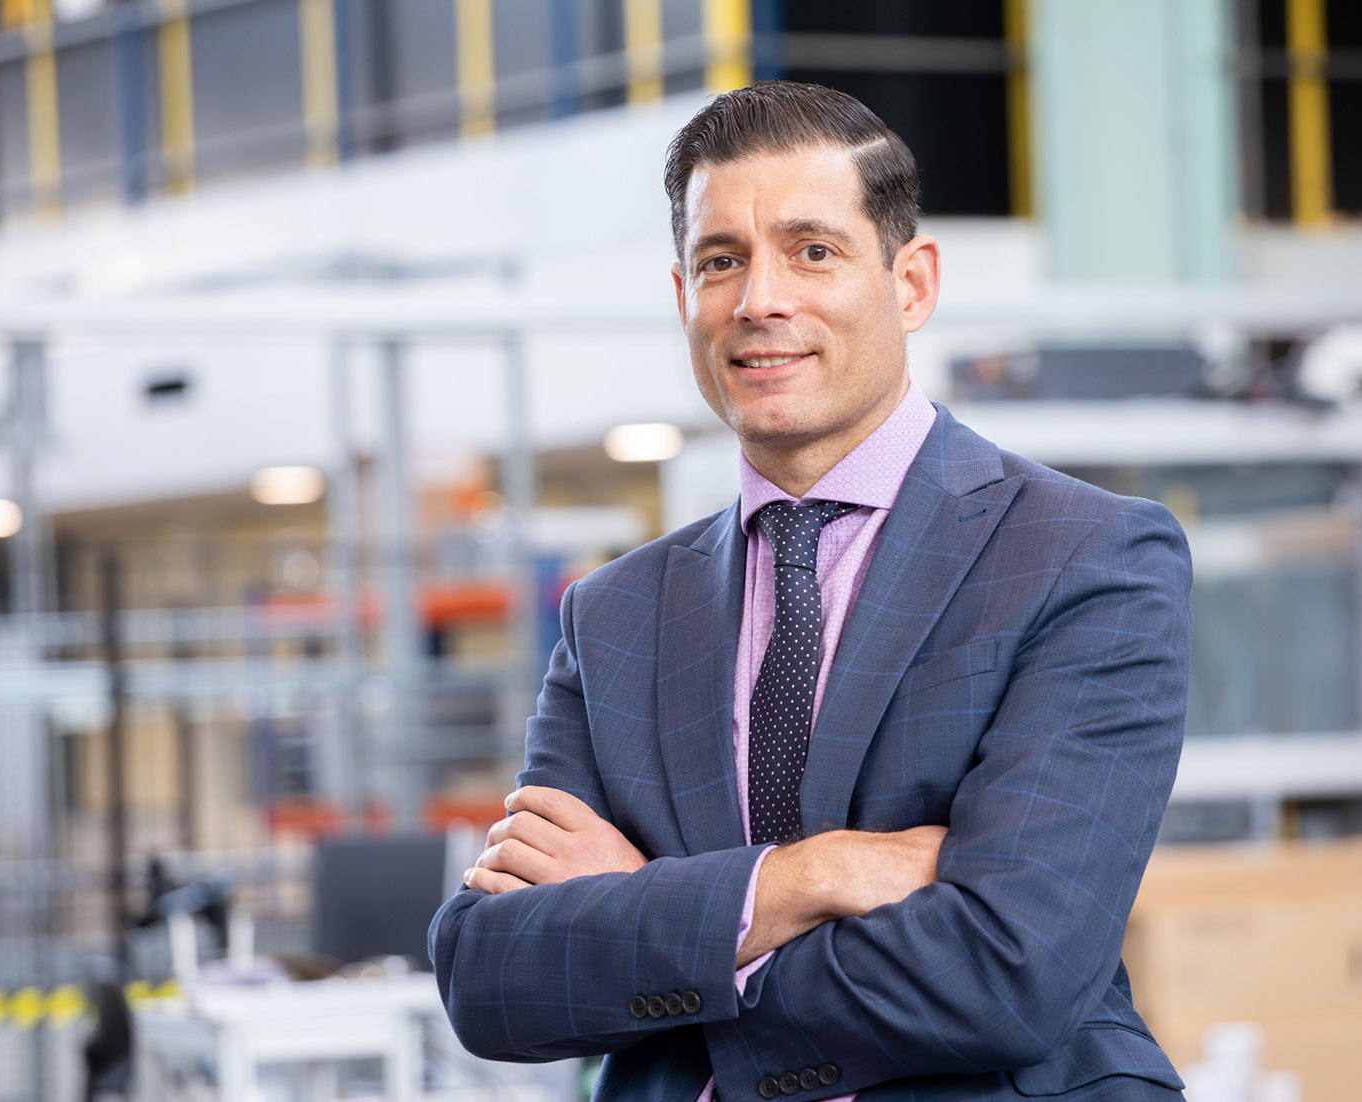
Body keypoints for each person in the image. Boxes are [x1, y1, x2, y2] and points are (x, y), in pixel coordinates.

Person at [430, 81, 1192, 1102]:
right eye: (721, 261)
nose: (759, 300)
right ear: (683, 296)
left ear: (911, 283)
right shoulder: (613, 615)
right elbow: (494, 978)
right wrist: (811, 876)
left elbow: (1012, 971)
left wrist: (656, 918)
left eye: (813, 251)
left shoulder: (1084, 556)